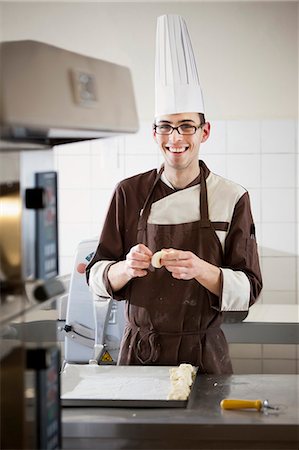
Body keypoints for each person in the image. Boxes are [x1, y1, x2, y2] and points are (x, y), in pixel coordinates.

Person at [86, 14, 262, 374]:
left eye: (186, 126)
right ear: (154, 133)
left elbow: (249, 288)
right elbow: (96, 276)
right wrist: (125, 268)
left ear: (204, 131)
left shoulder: (231, 197)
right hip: (139, 352)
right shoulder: (128, 193)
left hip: (204, 352)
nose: (175, 138)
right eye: (165, 127)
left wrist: (202, 270)